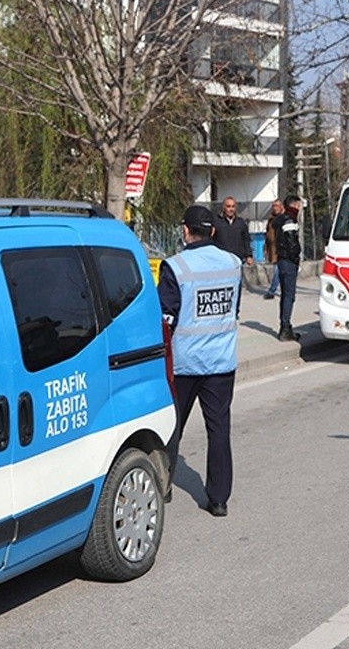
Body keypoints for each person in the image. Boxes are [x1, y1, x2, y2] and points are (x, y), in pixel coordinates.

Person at [159, 204, 242, 517]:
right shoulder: (233, 264)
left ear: (184, 231)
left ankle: (162, 487)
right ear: (214, 231)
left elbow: (165, 318)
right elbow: (233, 311)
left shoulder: (175, 266)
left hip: (184, 364)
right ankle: (219, 499)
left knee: (170, 427)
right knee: (219, 430)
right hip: (221, 363)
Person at [270, 195, 302, 341]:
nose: (300, 208)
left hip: (282, 260)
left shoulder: (281, 219)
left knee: (285, 295)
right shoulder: (289, 220)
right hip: (289, 261)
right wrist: (295, 257)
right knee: (289, 295)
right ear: (293, 205)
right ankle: (285, 328)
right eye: (298, 205)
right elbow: (291, 241)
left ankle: (285, 325)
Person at [212, 196, 253, 267]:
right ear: (224, 207)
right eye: (228, 206)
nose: (231, 209)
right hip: (221, 260)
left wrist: (249, 256)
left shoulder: (241, 223)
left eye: (233, 206)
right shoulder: (216, 222)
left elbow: (246, 240)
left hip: (238, 260)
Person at [263, 199, 284, 299]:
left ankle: (272, 291)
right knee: (279, 271)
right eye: (273, 206)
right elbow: (267, 234)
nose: (275, 208)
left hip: (282, 249)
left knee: (278, 271)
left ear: (281, 207)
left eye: (277, 205)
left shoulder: (284, 218)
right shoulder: (271, 219)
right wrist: (266, 247)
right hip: (273, 249)